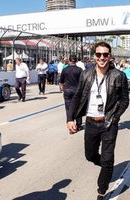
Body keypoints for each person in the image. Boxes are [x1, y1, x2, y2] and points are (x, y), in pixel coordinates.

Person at [66, 42, 129, 200]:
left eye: (105, 54)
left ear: (110, 56)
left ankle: (102, 191)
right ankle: (105, 166)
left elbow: (124, 100)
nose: (102, 58)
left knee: (108, 160)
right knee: (90, 155)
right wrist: (70, 118)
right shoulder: (86, 74)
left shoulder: (118, 75)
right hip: (91, 123)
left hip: (108, 123)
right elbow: (78, 96)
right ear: (94, 56)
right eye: (99, 54)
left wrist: (115, 118)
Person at [59, 54, 83, 131]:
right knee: (78, 107)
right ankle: (78, 124)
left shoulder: (65, 69)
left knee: (68, 108)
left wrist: (63, 89)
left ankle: (70, 125)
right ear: (76, 60)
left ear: (69, 60)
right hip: (77, 91)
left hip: (67, 90)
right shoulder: (79, 70)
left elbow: (61, 81)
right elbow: (82, 82)